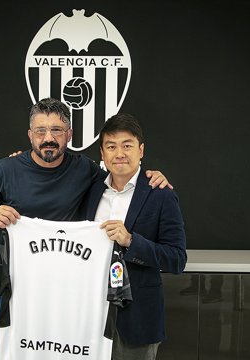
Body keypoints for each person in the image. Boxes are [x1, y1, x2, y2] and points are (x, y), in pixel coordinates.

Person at [0, 98, 171, 360]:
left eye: (57, 131)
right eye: (41, 131)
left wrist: (149, 176)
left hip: (60, 295)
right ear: (30, 135)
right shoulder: (6, 169)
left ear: (69, 135)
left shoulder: (85, 170)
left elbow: (121, 175)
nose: (48, 138)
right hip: (5, 289)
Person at [80, 113, 187, 360]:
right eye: (111, 146)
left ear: (141, 150)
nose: (119, 153)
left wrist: (130, 241)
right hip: (89, 317)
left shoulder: (161, 194)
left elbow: (177, 259)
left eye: (127, 145)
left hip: (138, 318)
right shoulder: (89, 190)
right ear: (102, 154)